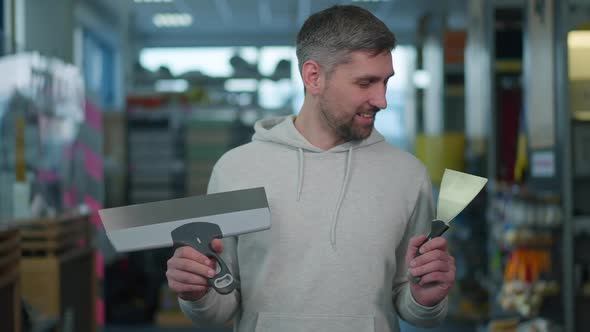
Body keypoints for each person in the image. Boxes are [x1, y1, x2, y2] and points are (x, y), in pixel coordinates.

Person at [166, 5, 455, 332]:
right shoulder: (236, 169)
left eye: (386, 82)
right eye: (365, 83)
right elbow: (220, 306)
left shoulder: (407, 175)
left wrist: (425, 299)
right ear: (313, 77)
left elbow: (410, 304)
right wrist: (197, 293)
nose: (382, 100)